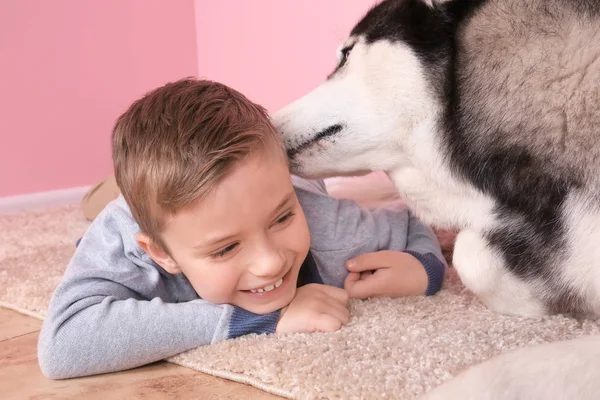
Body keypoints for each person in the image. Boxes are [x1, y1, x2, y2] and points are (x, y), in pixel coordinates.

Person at [38, 78, 446, 379]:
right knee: (102, 202)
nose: (270, 263)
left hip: (287, 182)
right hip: (128, 208)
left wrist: (424, 266)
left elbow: (411, 218)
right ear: (161, 253)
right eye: (225, 248)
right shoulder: (125, 244)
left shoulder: (329, 230)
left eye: (282, 219)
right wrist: (255, 320)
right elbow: (63, 346)